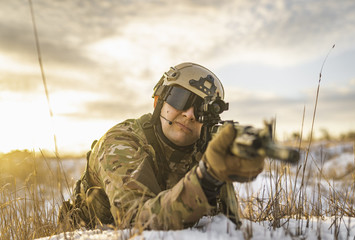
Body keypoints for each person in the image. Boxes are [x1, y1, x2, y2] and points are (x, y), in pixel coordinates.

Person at [58, 62, 265, 231]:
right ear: (158, 101)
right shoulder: (121, 144)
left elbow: (223, 224)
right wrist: (206, 179)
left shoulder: (205, 146)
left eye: (202, 109)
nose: (189, 114)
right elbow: (137, 222)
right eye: (181, 100)